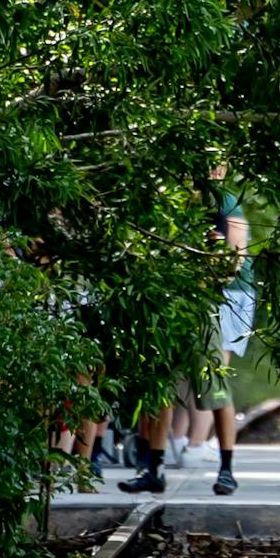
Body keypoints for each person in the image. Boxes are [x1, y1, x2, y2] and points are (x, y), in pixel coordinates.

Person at [119, 165, 253, 498]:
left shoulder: (224, 204)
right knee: (160, 387)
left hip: (202, 307)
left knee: (214, 387)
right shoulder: (171, 201)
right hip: (169, 307)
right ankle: (154, 468)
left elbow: (232, 259)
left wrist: (211, 271)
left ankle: (226, 469)